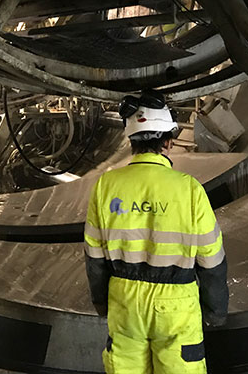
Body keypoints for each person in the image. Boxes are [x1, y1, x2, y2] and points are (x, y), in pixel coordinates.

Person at [84, 90, 228, 374]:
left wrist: (102, 303)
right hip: (176, 305)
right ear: (169, 142)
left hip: (124, 301)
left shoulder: (106, 186)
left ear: (131, 142)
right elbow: (212, 260)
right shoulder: (189, 189)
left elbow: (95, 258)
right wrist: (215, 311)